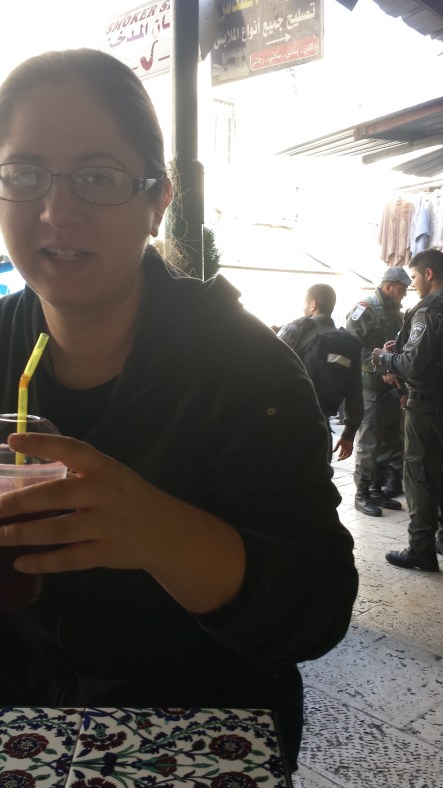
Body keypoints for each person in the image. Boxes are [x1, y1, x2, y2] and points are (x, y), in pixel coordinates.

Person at [0, 49, 358, 772]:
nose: (54, 210)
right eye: (24, 173)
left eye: (96, 177)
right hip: (23, 713)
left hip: (199, 722)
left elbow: (317, 609)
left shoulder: (245, 367)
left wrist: (157, 530)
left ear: (156, 198)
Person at [372, 249, 443, 572]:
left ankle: (421, 549)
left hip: (427, 405)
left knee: (419, 475)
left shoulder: (430, 311)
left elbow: (413, 365)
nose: (412, 285)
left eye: (414, 277)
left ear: (428, 273)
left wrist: (386, 359)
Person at [346, 266, 411, 516]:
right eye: (402, 289)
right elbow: (352, 348)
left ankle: (376, 489)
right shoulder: (365, 308)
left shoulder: (397, 313)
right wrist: (380, 369)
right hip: (370, 387)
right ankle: (361, 493)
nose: (404, 294)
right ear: (389, 286)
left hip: (391, 388)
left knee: (389, 440)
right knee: (370, 442)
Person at [278, 284, 363, 463]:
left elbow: (267, 368)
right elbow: (355, 393)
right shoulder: (348, 343)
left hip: (288, 424)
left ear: (313, 304)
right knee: (319, 482)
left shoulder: (295, 329)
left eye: (305, 303)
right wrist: (348, 434)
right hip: (322, 427)